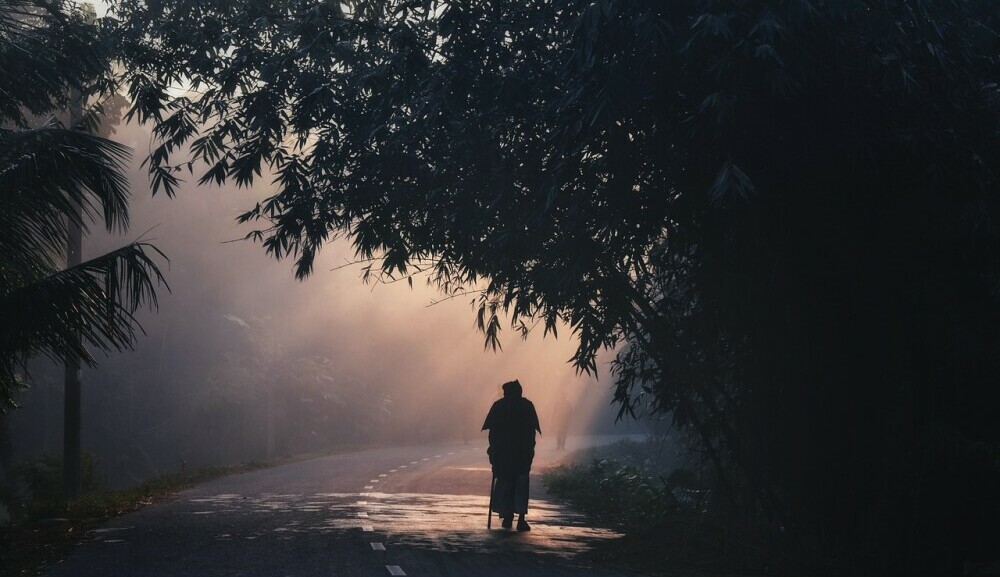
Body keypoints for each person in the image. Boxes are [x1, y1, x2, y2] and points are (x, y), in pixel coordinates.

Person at [482, 379, 540, 531]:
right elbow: (531, 433)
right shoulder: (527, 406)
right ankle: (520, 519)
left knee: (506, 483)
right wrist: (529, 451)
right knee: (520, 485)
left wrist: (493, 452)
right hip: (521, 454)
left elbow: (492, 434)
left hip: (505, 455)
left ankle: (507, 516)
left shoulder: (499, 406)